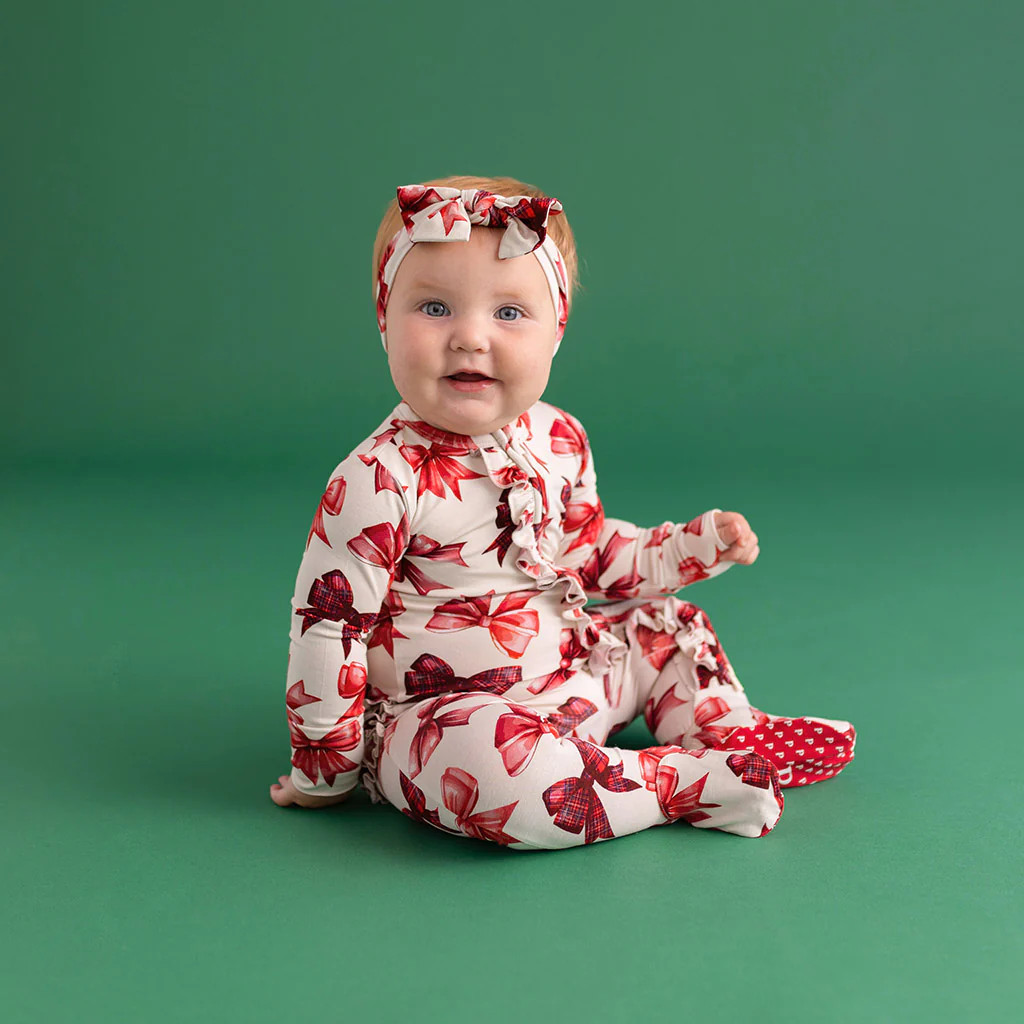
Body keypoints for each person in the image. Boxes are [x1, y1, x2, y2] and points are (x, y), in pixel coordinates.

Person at [268, 175, 856, 849]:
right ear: (383, 318)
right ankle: (677, 782)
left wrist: (690, 547)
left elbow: (588, 553)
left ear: (556, 332)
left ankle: (727, 734)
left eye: (509, 313)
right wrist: (325, 774)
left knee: (667, 627)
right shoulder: (377, 480)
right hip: (445, 715)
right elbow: (329, 631)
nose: (469, 337)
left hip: (576, 678)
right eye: (434, 307)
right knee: (485, 771)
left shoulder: (559, 437)